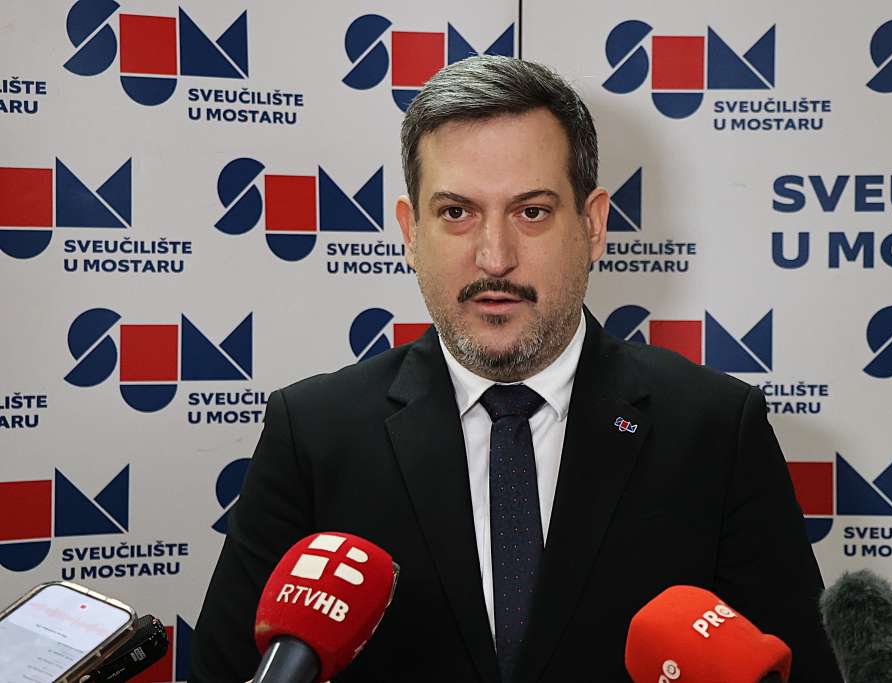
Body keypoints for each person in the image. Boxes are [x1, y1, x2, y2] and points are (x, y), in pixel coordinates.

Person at [190, 56, 842, 682]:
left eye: (532, 212)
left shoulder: (716, 432)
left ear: (592, 225)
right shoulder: (313, 435)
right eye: (456, 213)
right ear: (410, 232)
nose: (494, 257)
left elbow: (800, 669)